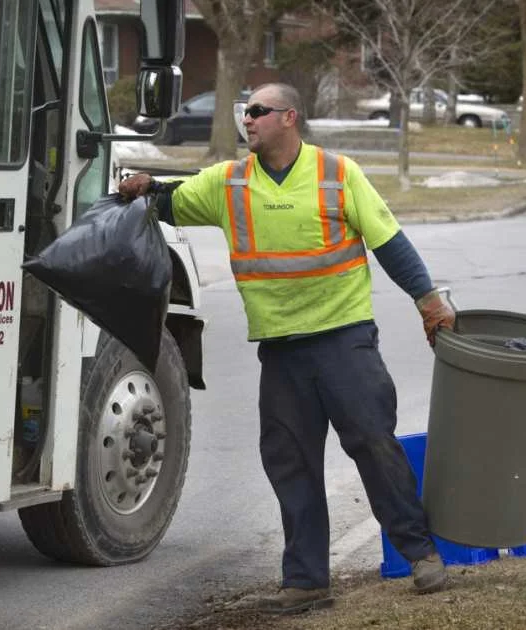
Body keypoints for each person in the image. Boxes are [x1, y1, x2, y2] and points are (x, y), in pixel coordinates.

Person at [119, 83, 456, 615]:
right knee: (291, 463)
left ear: (289, 118)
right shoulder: (229, 182)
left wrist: (429, 301)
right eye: (243, 112)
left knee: (373, 443)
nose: (246, 121)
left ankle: (421, 556)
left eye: (257, 112)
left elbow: (389, 242)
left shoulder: (337, 174)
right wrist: (142, 187)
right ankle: (305, 580)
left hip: (344, 340)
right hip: (280, 351)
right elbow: (168, 198)